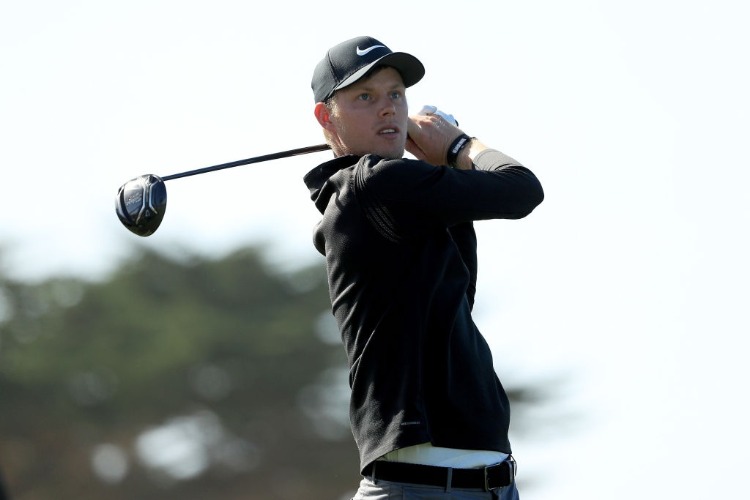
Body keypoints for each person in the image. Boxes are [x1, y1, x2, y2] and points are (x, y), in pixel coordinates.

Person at [303, 36, 544, 499]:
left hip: (489, 484)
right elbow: (521, 189)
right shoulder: (378, 183)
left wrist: (442, 169)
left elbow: (456, 302)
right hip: (418, 488)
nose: (388, 109)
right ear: (325, 117)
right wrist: (460, 146)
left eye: (395, 94)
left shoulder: (390, 199)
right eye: (365, 97)